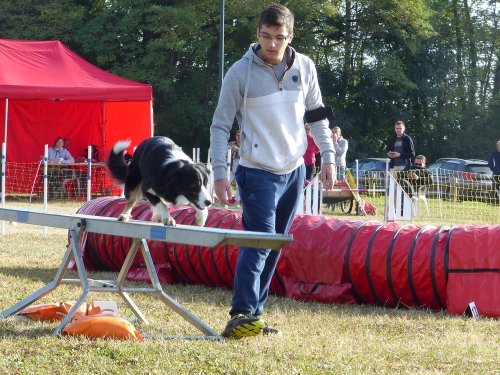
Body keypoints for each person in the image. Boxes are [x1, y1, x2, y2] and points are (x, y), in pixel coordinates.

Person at [210, 4, 336, 339]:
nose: (272, 44)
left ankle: (255, 316)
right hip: (257, 172)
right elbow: (221, 126)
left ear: (290, 36)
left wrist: (328, 156)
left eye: (279, 37)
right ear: (258, 34)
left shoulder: (305, 67)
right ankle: (240, 313)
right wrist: (219, 173)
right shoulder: (240, 72)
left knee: (275, 244)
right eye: (266, 36)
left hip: (295, 170)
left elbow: (318, 117)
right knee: (259, 242)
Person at [228, 130, 241, 203]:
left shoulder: (246, 144)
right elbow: (228, 150)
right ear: (236, 136)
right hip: (231, 168)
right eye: (238, 135)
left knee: (239, 186)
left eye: (240, 136)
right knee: (227, 182)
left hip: (240, 169)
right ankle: (224, 199)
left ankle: (238, 201)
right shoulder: (231, 144)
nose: (239, 137)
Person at [488, 140, 500, 205]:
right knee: (494, 188)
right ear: (497, 146)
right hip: (496, 174)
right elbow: (490, 163)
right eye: (498, 145)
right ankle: (495, 202)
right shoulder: (493, 153)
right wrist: (494, 170)